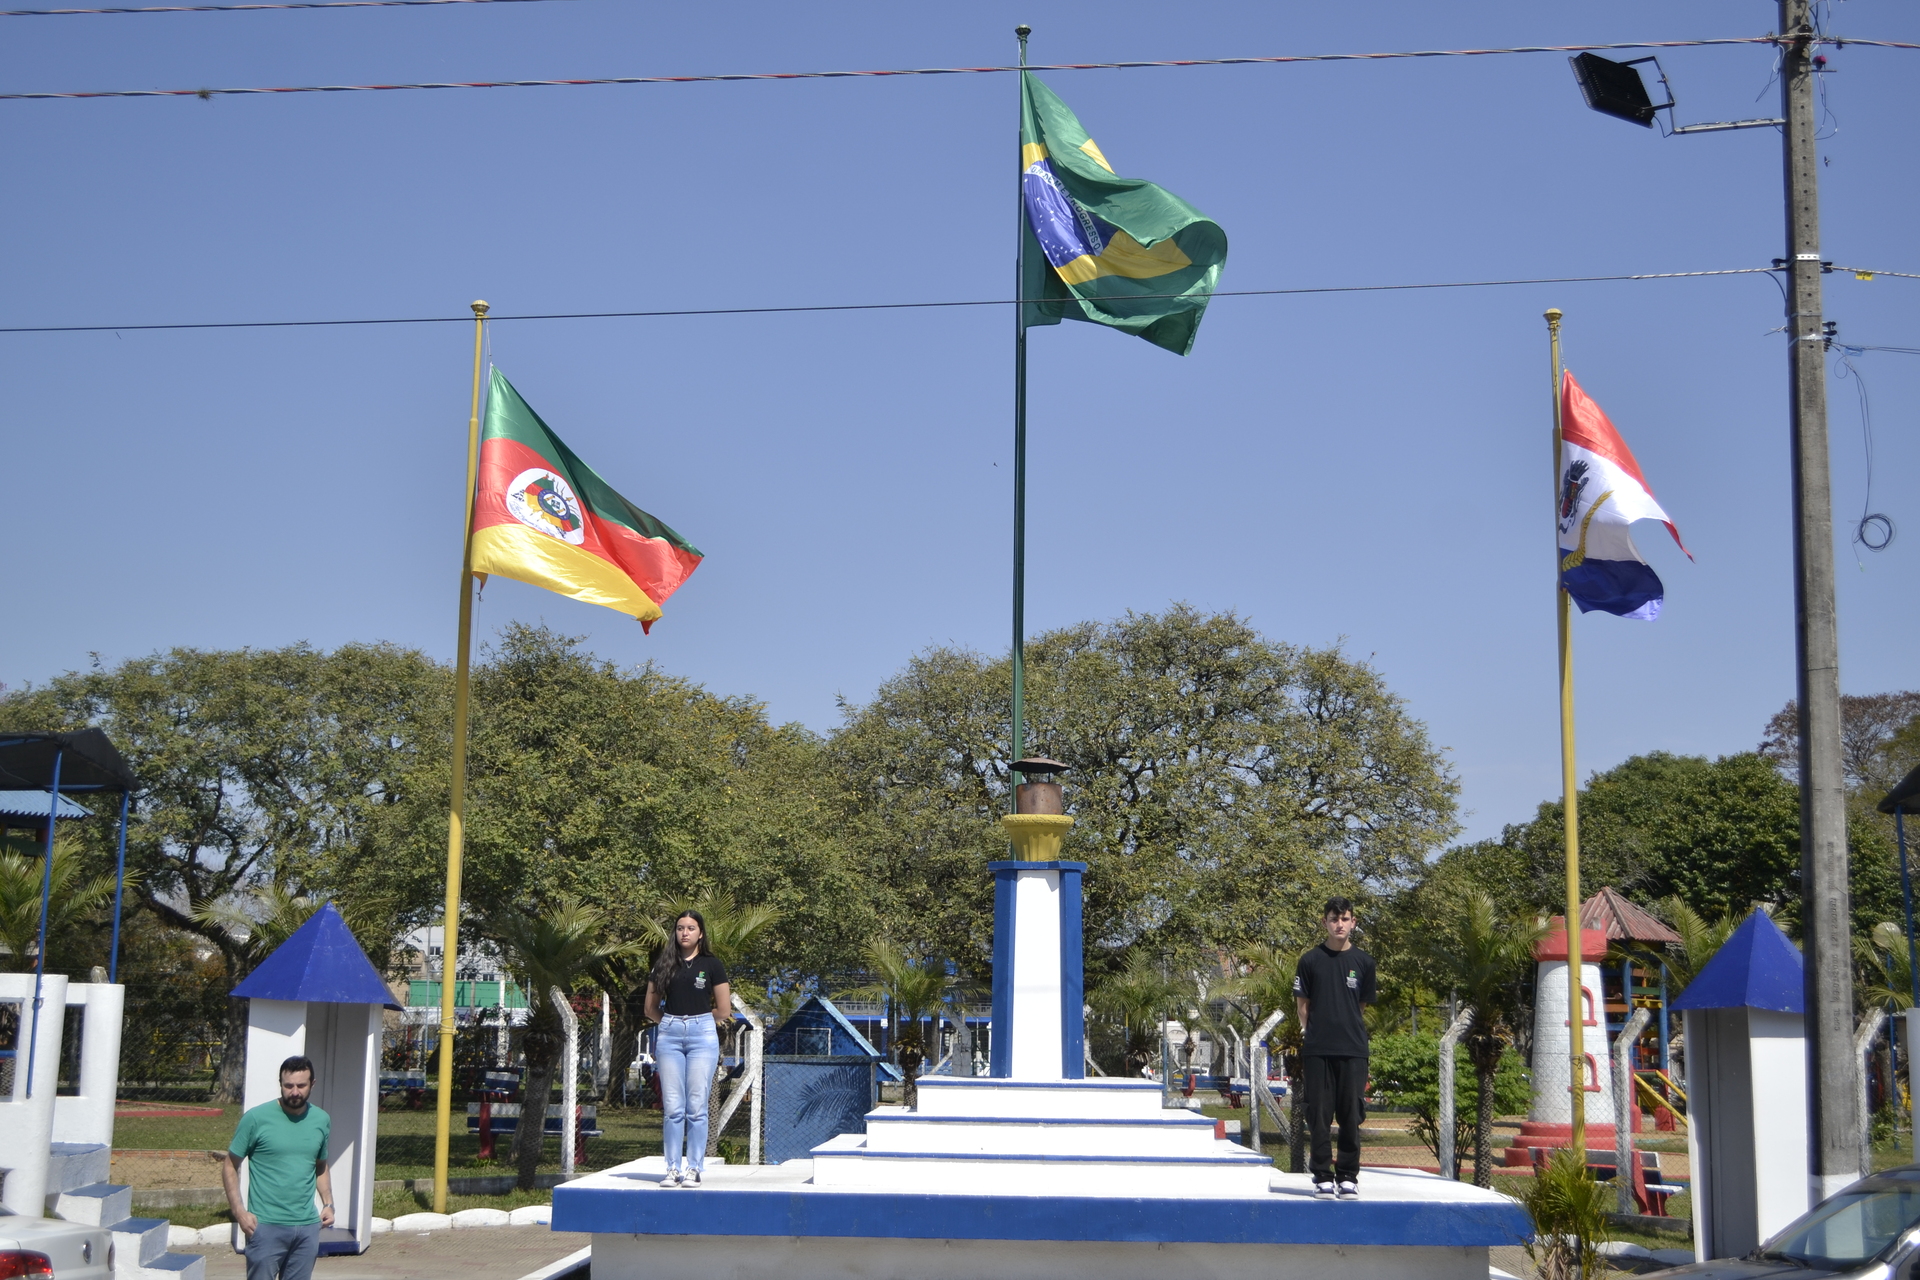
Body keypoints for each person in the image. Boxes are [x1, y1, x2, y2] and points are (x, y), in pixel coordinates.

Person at [1293, 896, 1376, 1201]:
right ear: (1324, 922)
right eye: (1333, 918)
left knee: (1351, 1114)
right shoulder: (1310, 960)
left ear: (1353, 922)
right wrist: (1311, 1034)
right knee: (1319, 1115)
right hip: (1317, 1050)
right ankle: (1323, 1177)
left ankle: (1348, 1177)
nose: (1339, 924)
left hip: (1353, 1049)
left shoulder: (1365, 962)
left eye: (1345, 919)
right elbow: (1303, 1005)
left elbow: (1361, 1006)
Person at [222, 1055, 334, 1280]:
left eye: (301, 1086)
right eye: (288, 1085)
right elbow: (230, 1165)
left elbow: (320, 1165)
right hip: (265, 1226)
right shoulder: (256, 1118)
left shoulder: (321, 1120)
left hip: (307, 1227)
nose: (294, 1092)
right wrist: (239, 1212)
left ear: (312, 1084)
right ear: (280, 1084)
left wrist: (328, 1204)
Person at [645, 909, 731, 1188]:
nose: (685, 932)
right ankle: (672, 1168)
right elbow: (650, 1007)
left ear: (700, 933)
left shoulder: (712, 964)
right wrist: (672, 1023)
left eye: (691, 928)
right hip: (669, 1036)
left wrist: (699, 1023)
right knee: (673, 1108)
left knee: (696, 1107)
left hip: (702, 1036)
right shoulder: (664, 964)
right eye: (680, 928)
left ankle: (694, 1167)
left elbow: (723, 1008)